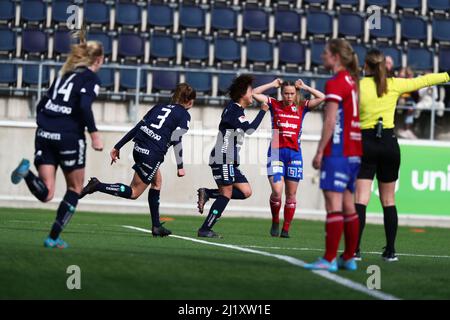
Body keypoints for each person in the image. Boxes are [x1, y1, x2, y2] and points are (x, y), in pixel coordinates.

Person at [10, 30, 104, 248]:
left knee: (47, 193)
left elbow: (42, 104)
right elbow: (83, 106)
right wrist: (94, 135)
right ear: (98, 60)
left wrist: (45, 126)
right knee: (74, 188)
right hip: (68, 137)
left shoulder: (64, 74)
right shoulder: (91, 78)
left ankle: (26, 174)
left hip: (44, 133)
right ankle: (53, 237)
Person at [355, 49, 450, 261]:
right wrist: (446, 75)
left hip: (366, 143)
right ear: (385, 66)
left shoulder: (359, 86)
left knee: (361, 199)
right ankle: (390, 251)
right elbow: (424, 81)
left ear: (366, 66)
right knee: (389, 200)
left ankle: (355, 250)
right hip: (389, 143)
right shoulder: (394, 84)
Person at [79, 83, 195, 236]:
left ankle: (156, 226)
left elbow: (138, 127)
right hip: (152, 154)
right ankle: (97, 186)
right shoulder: (184, 116)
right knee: (134, 192)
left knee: (157, 182)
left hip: (139, 148)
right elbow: (177, 139)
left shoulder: (158, 107)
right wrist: (180, 165)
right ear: (189, 100)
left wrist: (118, 146)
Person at [304, 39, 362, 272]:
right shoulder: (352, 81)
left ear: (336, 57)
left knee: (333, 204)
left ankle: (328, 259)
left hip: (338, 151)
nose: (322, 55)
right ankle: (348, 257)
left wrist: (320, 151)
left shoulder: (336, 82)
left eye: (326, 52)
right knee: (349, 205)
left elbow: (330, 121)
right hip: (355, 152)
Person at [196, 75, 269, 238]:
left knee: (245, 191)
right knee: (226, 194)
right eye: (250, 91)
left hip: (229, 159)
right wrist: (263, 111)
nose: (252, 95)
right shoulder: (234, 110)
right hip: (223, 157)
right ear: (243, 93)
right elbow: (249, 130)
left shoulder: (236, 109)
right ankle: (205, 229)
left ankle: (208, 193)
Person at [252, 78, 325, 238]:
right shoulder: (274, 104)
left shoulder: (302, 107)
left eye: (292, 93)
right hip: (276, 153)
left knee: (291, 195)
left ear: (296, 93)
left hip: (294, 154)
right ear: (281, 93)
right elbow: (254, 93)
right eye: (286, 93)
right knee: (277, 191)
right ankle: (275, 220)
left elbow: (322, 97)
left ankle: (286, 229)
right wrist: (272, 84)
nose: (289, 96)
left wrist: (305, 86)